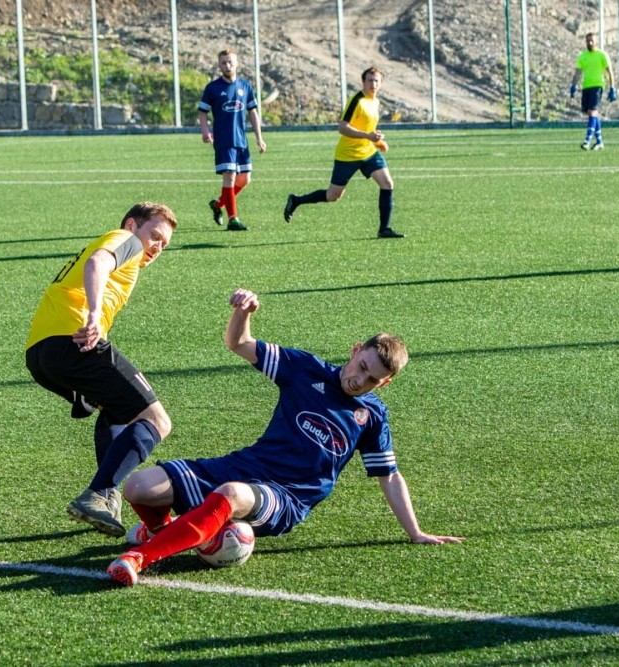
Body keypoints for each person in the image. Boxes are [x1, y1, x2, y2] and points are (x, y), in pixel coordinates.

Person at [107, 288, 461, 586]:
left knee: (230, 494)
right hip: (246, 465)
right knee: (138, 487)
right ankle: (162, 530)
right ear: (355, 351)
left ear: (386, 383)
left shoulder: (371, 416)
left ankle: (139, 557)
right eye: (362, 366)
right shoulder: (305, 369)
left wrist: (415, 532)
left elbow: (389, 476)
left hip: (287, 497)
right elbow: (239, 343)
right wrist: (244, 312)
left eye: (373, 380)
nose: (359, 380)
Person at [26, 202, 178, 538]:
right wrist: (94, 316)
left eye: (164, 244)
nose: (157, 247)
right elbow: (97, 262)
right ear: (132, 224)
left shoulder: (127, 253)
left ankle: (107, 495)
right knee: (157, 421)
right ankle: (98, 493)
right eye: (155, 235)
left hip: (41, 354)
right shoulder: (127, 240)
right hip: (75, 341)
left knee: (117, 410)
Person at [283, 67, 403, 239]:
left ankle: (384, 229)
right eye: (370, 80)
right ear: (363, 82)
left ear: (381, 84)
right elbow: (343, 127)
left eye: (376, 81)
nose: (373, 84)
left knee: (387, 183)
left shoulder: (375, 101)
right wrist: (368, 136)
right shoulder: (357, 101)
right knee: (333, 196)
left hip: (368, 152)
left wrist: (377, 142)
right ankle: (296, 200)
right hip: (348, 155)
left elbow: (366, 126)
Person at [199, 48, 266, 232]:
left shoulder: (245, 86)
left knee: (245, 179)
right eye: (224, 63)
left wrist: (259, 138)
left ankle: (218, 204)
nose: (227, 66)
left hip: (241, 140)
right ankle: (233, 219)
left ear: (237, 64)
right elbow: (202, 112)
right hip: (224, 140)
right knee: (230, 177)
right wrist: (205, 131)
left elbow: (253, 112)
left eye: (230, 62)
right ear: (219, 65)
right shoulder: (213, 88)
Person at [569, 32, 616, 151]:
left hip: (597, 86)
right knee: (592, 114)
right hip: (586, 87)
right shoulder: (583, 56)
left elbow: (609, 71)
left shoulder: (602, 55)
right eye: (588, 41)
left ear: (596, 42)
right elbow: (578, 72)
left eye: (592, 41)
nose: (590, 43)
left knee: (592, 111)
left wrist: (612, 88)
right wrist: (573, 85)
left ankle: (587, 141)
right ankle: (599, 142)